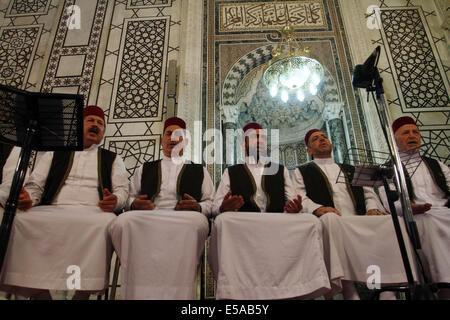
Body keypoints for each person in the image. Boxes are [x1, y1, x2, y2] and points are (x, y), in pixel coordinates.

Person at [0, 105, 129, 300]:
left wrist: (115, 201)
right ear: (78, 126)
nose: (96, 125)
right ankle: (40, 294)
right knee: (20, 220)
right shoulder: (54, 152)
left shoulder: (113, 159)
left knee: (106, 223)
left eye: (100, 123)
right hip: (52, 208)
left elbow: (122, 191)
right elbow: (36, 185)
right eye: (91, 121)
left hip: (94, 212)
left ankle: (82, 294)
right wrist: (29, 200)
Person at [108, 116, 215, 299]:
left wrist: (197, 207)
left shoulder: (200, 171)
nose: (173, 139)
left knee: (195, 222)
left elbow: (211, 203)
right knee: (121, 222)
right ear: (162, 140)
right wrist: (134, 204)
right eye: (168, 134)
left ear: (186, 141)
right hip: (149, 217)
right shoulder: (144, 168)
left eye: (178, 135)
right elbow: (128, 197)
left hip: (185, 219)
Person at [293, 129, 391, 300]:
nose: (322, 139)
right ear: (309, 150)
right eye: (316, 139)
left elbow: (368, 193)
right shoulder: (302, 171)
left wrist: (371, 208)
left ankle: (385, 290)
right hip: (330, 224)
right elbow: (300, 197)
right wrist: (318, 208)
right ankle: (348, 290)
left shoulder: (351, 169)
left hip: (358, 221)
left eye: (324, 137)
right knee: (330, 221)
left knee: (386, 221)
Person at [379, 116, 450, 299]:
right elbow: (389, 201)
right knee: (429, 220)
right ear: (395, 140)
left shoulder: (437, 165)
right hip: (418, 216)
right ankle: (443, 284)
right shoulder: (388, 169)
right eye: (406, 133)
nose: (412, 136)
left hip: (445, 211)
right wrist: (408, 207)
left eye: (415, 132)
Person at [212, 122, 302, 215]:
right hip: (244, 222)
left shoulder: (281, 170)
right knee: (222, 220)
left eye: (263, 138)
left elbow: (292, 202)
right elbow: (215, 208)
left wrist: (294, 208)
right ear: (243, 144)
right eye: (255, 137)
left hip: (276, 220)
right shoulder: (231, 172)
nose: (260, 141)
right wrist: (222, 208)